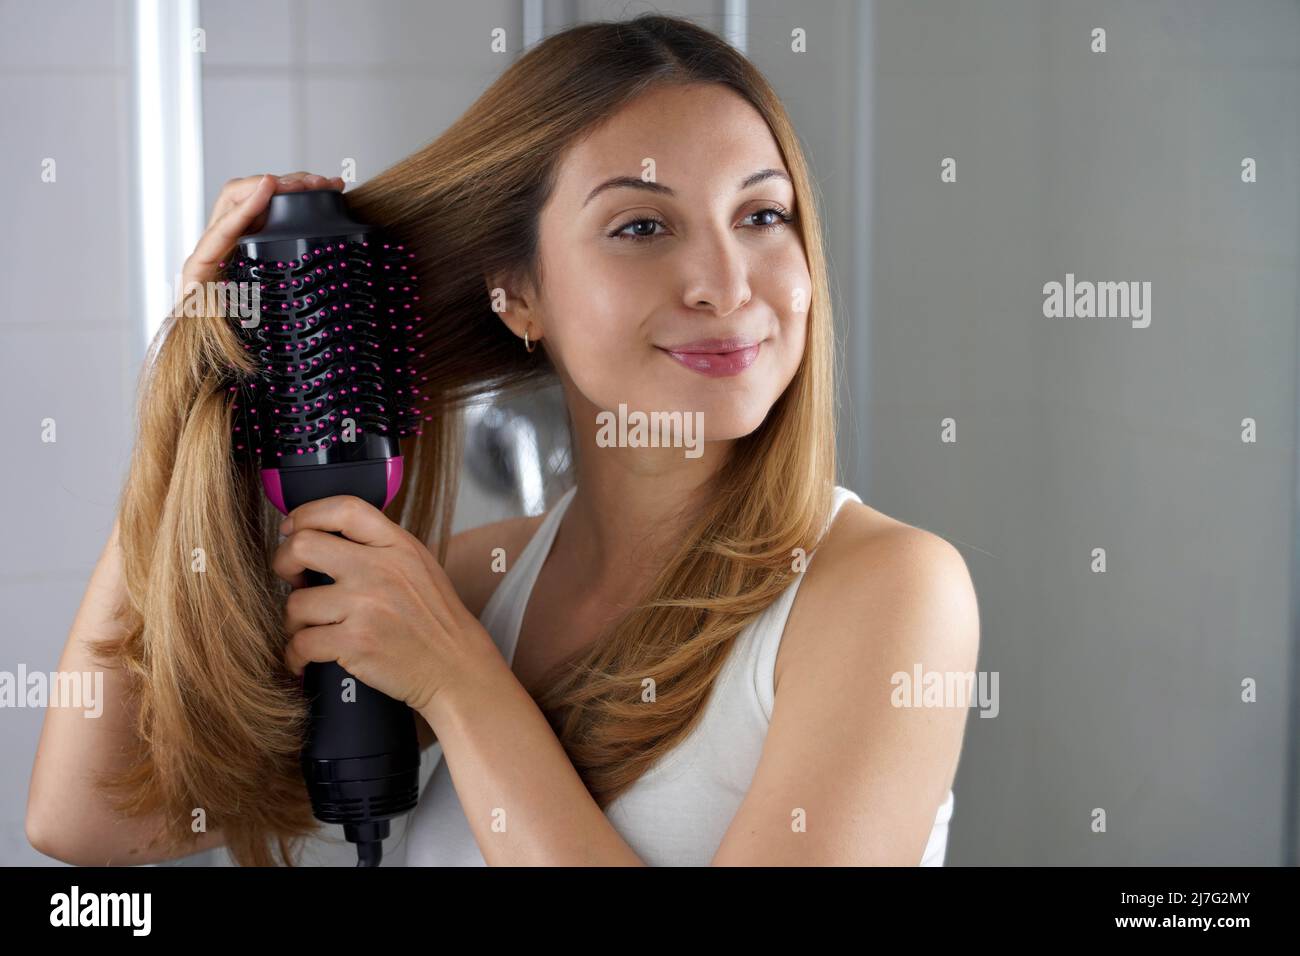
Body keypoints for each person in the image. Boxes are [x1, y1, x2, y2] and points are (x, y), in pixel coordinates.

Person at [27, 13, 977, 867]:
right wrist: (202, 386)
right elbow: (89, 820)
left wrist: (461, 687)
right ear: (517, 293)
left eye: (762, 215)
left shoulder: (890, 592)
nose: (725, 283)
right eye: (643, 225)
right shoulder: (477, 585)